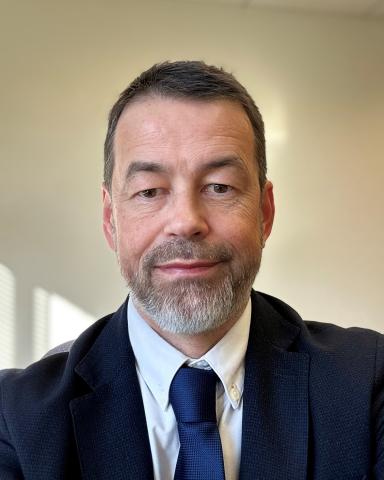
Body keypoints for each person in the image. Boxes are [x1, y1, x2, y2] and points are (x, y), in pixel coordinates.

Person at [0, 61, 383, 480]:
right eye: (149, 191)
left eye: (219, 187)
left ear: (265, 212)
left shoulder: (366, 384)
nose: (185, 221)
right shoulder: (16, 417)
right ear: (111, 219)